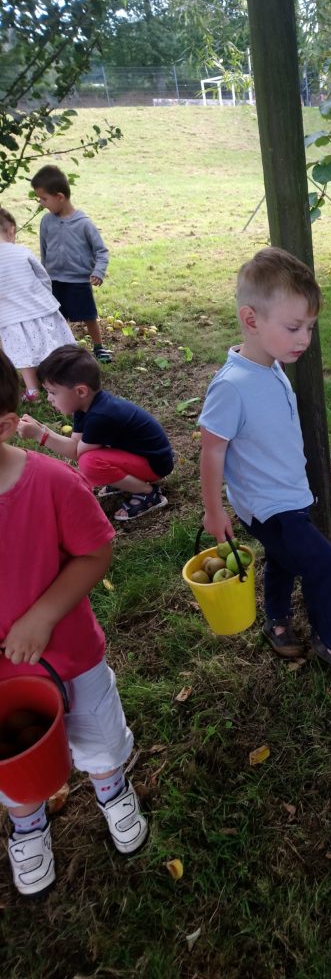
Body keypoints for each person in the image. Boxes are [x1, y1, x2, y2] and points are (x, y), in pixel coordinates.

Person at [0, 350, 147, 897]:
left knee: (98, 735)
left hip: (70, 655)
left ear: (6, 425)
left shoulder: (52, 483)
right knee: (13, 760)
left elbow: (94, 553)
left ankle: (111, 788)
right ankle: (26, 821)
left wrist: (42, 616)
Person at [199, 247, 331, 673]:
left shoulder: (270, 366)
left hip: (287, 491)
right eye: (293, 327)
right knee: (322, 562)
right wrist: (214, 513)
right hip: (267, 504)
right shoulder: (232, 386)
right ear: (251, 320)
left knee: (284, 559)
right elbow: (211, 449)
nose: (304, 338)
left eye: (309, 327)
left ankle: (277, 621)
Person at [16, 344, 173, 521]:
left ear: (81, 391)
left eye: (53, 392)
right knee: (90, 459)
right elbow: (75, 444)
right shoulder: (85, 407)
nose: (49, 398)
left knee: (89, 463)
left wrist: (40, 434)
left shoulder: (101, 415)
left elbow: (76, 453)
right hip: (139, 455)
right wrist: (41, 429)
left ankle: (149, 493)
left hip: (155, 464)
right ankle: (124, 480)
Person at [29, 164, 112, 363]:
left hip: (78, 281)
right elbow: (44, 252)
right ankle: (61, 350)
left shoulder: (84, 223)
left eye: (44, 199)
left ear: (60, 197)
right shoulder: (46, 222)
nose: (41, 203)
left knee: (89, 315)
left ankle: (99, 347)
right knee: (58, 318)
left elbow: (101, 251)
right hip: (54, 281)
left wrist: (98, 272)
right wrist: (43, 278)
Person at [0, 207, 74, 402]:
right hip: (40, 308)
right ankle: (64, 380)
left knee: (24, 354)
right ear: (11, 230)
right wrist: (44, 297)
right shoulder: (22, 252)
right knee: (52, 345)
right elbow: (43, 277)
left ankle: (32, 390)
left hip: (11, 317)